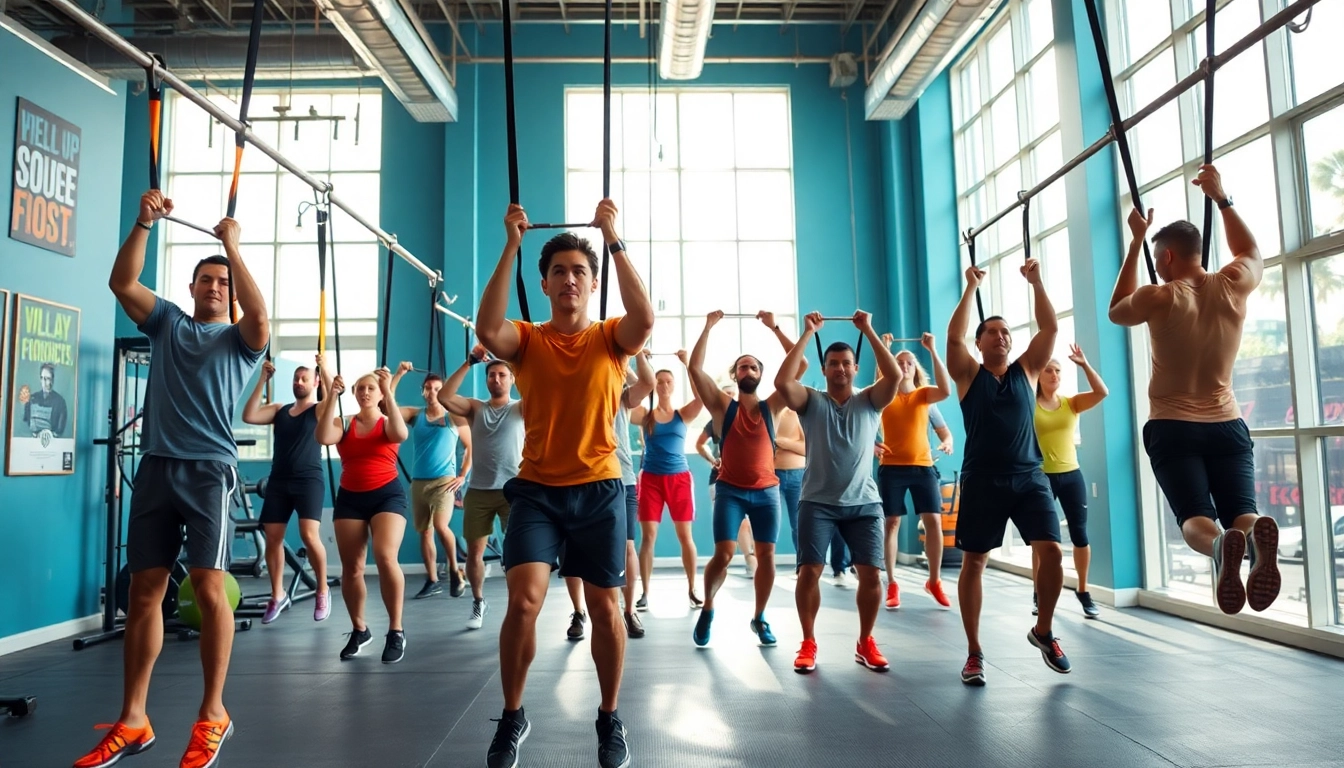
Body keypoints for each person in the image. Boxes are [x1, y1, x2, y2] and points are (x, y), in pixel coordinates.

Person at [76, 190, 268, 768]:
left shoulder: (241, 341)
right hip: (158, 466)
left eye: (223, 282)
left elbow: (260, 317)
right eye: (206, 280)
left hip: (210, 471)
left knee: (210, 590)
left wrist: (233, 249)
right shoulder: (166, 324)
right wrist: (143, 222)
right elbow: (122, 282)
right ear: (190, 289)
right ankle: (133, 718)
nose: (215, 286)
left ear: (231, 290)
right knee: (144, 592)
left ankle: (213, 714)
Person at [476, 199, 652, 768]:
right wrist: (511, 244)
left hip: (600, 491)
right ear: (546, 284)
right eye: (559, 272)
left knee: (606, 609)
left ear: (592, 283)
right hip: (538, 492)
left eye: (580, 271)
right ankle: (512, 715)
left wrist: (613, 236)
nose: (569, 278)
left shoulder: (611, 339)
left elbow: (644, 320)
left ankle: (609, 715)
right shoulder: (526, 339)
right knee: (523, 602)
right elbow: (486, 328)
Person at [1108, 163, 1279, 615]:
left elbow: (1115, 310)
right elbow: (1251, 250)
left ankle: (1222, 547)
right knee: (1243, 509)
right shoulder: (1234, 284)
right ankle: (1255, 532)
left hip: (1174, 426)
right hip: (1227, 423)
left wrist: (1134, 242)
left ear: (1165, 258)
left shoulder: (1160, 296)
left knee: (1195, 518)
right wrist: (1221, 197)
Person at [947, 258, 1069, 687]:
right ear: (979, 343)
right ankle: (974, 652)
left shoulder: (1027, 371)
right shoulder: (967, 375)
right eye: (991, 332)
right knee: (975, 562)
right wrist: (969, 288)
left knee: (1052, 551)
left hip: (1030, 476)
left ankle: (1044, 631)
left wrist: (1036, 282)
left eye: (1006, 333)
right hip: (983, 479)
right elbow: (953, 336)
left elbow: (1050, 329)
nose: (1000, 337)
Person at [774, 310, 900, 675]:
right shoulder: (811, 401)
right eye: (833, 364)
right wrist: (807, 332)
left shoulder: (871, 400)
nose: (840, 369)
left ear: (856, 368)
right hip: (817, 502)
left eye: (846, 363)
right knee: (809, 572)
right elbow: (784, 380)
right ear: (825, 369)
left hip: (864, 502)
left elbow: (892, 374)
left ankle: (865, 642)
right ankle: (809, 641)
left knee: (871, 575)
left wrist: (869, 329)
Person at [687, 309, 805, 648]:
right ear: (735, 375)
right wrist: (707, 326)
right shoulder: (723, 408)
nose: (748, 370)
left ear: (761, 374)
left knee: (766, 556)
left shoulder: (774, 405)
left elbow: (801, 366)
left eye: (754, 366)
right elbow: (695, 369)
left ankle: (759, 616)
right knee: (724, 554)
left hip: (767, 491)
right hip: (730, 491)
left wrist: (776, 328)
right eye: (743, 366)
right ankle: (708, 606)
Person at [314, 361, 410, 664]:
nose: (366, 392)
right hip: (351, 498)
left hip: (387, 496)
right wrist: (331, 395)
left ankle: (396, 630)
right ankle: (360, 629)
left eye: (371, 388)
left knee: (384, 556)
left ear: (379, 392)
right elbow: (322, 437)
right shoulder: (344, 423)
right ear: (354, 394)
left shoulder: (386, 419)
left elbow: (401, 434)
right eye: (361, 389)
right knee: (351, 568)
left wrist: (389, 393)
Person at [566, 350, 657, 640]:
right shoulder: (574, 392)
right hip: (579, 478)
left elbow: (647, 382)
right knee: (575, 548)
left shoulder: (622, 395)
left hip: (622, 480)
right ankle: (579, 612)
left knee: (628, 546)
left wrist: (637, 354)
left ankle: (629, 611)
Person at [438, 345, 526, 631]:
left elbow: (549, 393)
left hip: (513, 490)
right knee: (474, 552)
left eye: (502, 375)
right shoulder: (475, 408)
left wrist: (519, 363)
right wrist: (469, 362)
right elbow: (444, 397)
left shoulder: (522, 407)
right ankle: (478, 601)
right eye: (492, 375)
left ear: (512, 379)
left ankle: (516, 606)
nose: (496, 379)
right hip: (479, 490)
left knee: (514, 554)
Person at [241, 359, 330, 624]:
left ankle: (322, 589)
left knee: (308, 535)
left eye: (304, 379)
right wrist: (262, 380)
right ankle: (277, 594)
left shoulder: (319, 409)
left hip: (308, 480)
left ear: (315, 383)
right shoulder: (280, 410)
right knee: (273, 537)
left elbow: (334, 394)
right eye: (295, 378)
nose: (298, 382)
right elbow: (249, 415)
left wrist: (323, 368)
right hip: (279, 481)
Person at [873, 333, 953, 610]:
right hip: (892, 470)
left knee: (933, 521)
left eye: (909, 362)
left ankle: (934, 581)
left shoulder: (924, 396)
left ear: (915, 369)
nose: (904, 365)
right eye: (899, 361)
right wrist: (884, 349)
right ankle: (893, 583)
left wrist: (932, 349)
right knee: (891, 523)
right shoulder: (884, 396)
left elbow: (946, 390)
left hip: (923, 468)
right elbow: (868, 413)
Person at [1032, 344, 1109, 618]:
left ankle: (1083, 591)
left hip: (1071, 475)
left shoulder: (1071, 403)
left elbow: (1102, 392)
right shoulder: (1030, 405)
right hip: (1041, 477)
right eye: (1048, 370)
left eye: (1058, 371)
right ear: (1038, 376)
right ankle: (1038, 592)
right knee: (1042, 538)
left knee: (1080, 535)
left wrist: (1084, 364)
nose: (1054, 375)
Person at [390, 362, 473, 601]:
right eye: (428, 388)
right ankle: (433, 580)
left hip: (444, 482)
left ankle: (456, 571)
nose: (432, 392)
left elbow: (470, 447)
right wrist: (399, 374)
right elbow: (388, 406)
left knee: (440, 526)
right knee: (424, 533)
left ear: (443, 390)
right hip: (419, 483)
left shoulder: (453, 416)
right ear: (423, 392)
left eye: (437, 388)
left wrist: (462, 476)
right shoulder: (416, 415)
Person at [632, 354, 704, 609]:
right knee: (648, 537)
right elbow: (625, 401)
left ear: (673, 385)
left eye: (667, 381)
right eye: (659, 381)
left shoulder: (682, 414)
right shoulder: (645, 414)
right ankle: (645, 591)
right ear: (654, 384)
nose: (663, 385)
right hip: (650, 479)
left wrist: (687, 365)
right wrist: (639, 359)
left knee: (686, 536)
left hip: (679, 480)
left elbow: (701, 398)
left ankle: (692, 588)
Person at [695, 383, 757, 579]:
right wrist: (713, 460)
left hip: (747, 479)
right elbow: (699, 444)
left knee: (746, 523)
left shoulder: (749, 417)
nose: (729, 398)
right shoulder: (714, 421)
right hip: (720, 479)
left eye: (732, 394)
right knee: (733, 523)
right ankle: (735, 559)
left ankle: (750, 558)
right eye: (726, 394)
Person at [774, 407, 805, 577]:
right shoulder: (770, 413)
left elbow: (808, 448)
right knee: (770, 523)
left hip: (797, 475)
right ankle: (763, 565)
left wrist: (782, 442)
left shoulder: (799, 414)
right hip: (772, 475)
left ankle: (803, 566)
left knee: (798, 525)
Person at [23, 362, 69, 437]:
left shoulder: (60, 402)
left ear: (52, 380)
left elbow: (60, 430)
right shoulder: (31, 399)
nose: (45, 382)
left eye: (48, 379)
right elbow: (26, 424)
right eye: (42, 378)